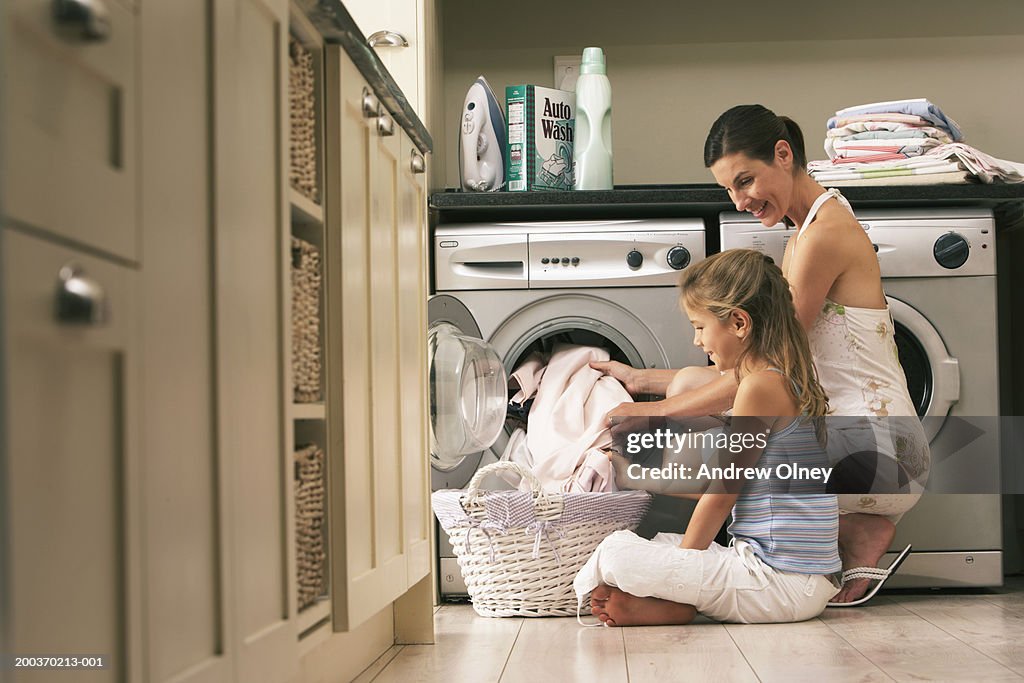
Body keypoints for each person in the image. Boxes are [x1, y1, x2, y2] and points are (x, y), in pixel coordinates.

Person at [593, 104, 929, 605]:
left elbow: (772, 367)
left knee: (662, 455)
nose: (739, 199)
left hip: (879, 450)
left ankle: (693, 574)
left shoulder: (822, 235)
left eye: (746, 180)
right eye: (729, 189)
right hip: (870, 440)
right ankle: (858, 529)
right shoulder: (806, 228)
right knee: (696, 394)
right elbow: (750, 364)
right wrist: (640, 381)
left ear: (783, 154)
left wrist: (652, 409)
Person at [575, 248, 840, 626]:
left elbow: (721, 494)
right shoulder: (779, 377)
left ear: (739, 323)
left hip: (782, 584)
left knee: (616, 552)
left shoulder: (759, 389)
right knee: (659, 543)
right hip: (792, 577)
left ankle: (675, 599)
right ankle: (677, 603)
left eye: (700, 327)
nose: (698, 341)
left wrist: (681, 570)